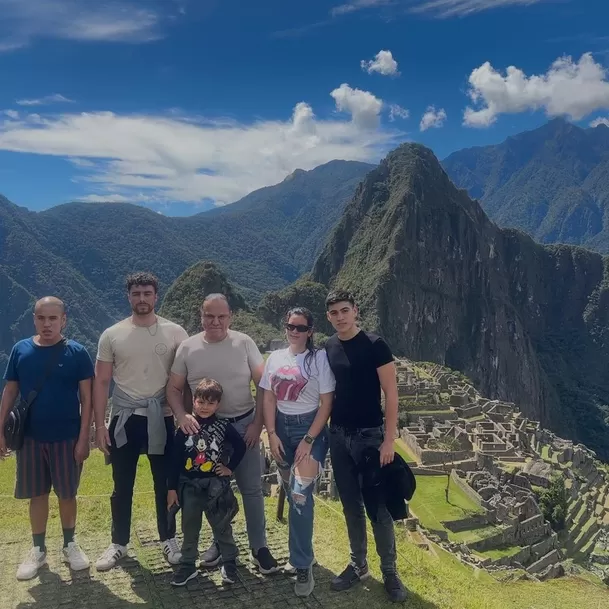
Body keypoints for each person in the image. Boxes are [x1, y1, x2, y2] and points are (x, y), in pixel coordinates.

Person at [166, 293, 279, 574]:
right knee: (211, 491)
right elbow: (173, 388)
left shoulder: (244, 343)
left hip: (243, 425)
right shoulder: (188, 348)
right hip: (204, 431)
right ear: (201, 315)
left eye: (221, 316)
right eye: (209, 316)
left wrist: (258, 424)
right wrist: (182, 416)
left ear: (231, 316)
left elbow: (264, 384)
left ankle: (259, 547)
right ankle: (220, 544)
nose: (215, 322)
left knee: (251, 489)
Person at [93, 272, 189, 571]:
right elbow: (101, 382)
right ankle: (118, 543)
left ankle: (169, 538)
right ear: (129, 296)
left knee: (166, 483)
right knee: (122, 485)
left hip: (163, 417)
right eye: (137, 294)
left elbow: (184, 380)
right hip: (125, 419)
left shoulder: (175, 332)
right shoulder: (112, 334)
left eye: (147, 293)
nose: (142, 299)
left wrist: (186, 417)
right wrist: (99, 425)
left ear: (156, 296)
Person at [0, 297, 94, 580]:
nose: (47, 324)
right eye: (42, 318)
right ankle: (38, 549)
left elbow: (87, 400)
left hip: (67, 437)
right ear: (34, 319)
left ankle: (69, 544)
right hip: (30, 437)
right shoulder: (21, 350)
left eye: (53, 318)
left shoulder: (77, 353)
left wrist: (83, 439)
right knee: (37, 494)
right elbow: (10, 392)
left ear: (64, 319)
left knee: (67, 494)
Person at [324, 290, 407, 603]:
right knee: (350, 505)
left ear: (355, 310)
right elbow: (328, 394)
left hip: (370, 437)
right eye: (334, 313)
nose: (340, 317)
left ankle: (390, 572)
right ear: (328, 316)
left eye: (345, 310)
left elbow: (391, 393)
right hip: (339, 435)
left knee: (378, 507)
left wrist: (389, 438)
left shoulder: (375, 345)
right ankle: (358, 565)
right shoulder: (329, 347)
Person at [261, 307, 334, 597]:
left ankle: (302, 565)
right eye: (290, 326)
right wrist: (272, 432)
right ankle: (303, 554)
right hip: (280, 426)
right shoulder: (276, 358)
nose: (294, 331)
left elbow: (326, 404)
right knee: (292, 494)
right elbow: (267, 395)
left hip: (309, 427)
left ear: (310, 331)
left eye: (300, 328)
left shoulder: (319, 360)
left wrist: (308, 438)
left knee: (301, 497)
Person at [168, 378, 246, 587]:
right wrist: (172, 488)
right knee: (190, 527)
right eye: (201, 402)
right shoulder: (185, 426)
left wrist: (230, 468)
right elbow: (174, 459)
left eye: (210, 403)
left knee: (221, 526)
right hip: (190, 485)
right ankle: (187, 565)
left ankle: (229, 561)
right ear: (193, 401)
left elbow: (240, 446)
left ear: (218, 404)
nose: (205, 407)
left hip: (215, 485)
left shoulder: (223, 426)